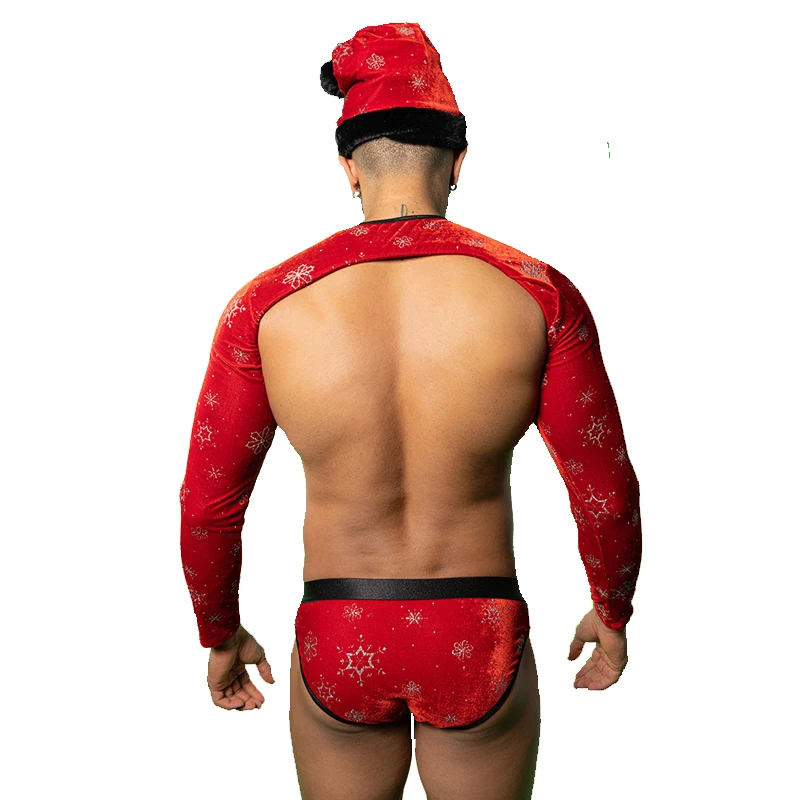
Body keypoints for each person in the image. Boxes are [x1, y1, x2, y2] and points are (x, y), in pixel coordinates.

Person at [179, 21, 642, 799]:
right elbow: (604, 491)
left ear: (347, 168)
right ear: (458, 161)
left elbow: (207, 505)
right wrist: (612, 613)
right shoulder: (537, 293)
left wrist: (219, 636)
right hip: (478, 626)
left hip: (340, 624)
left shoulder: (266, 308)